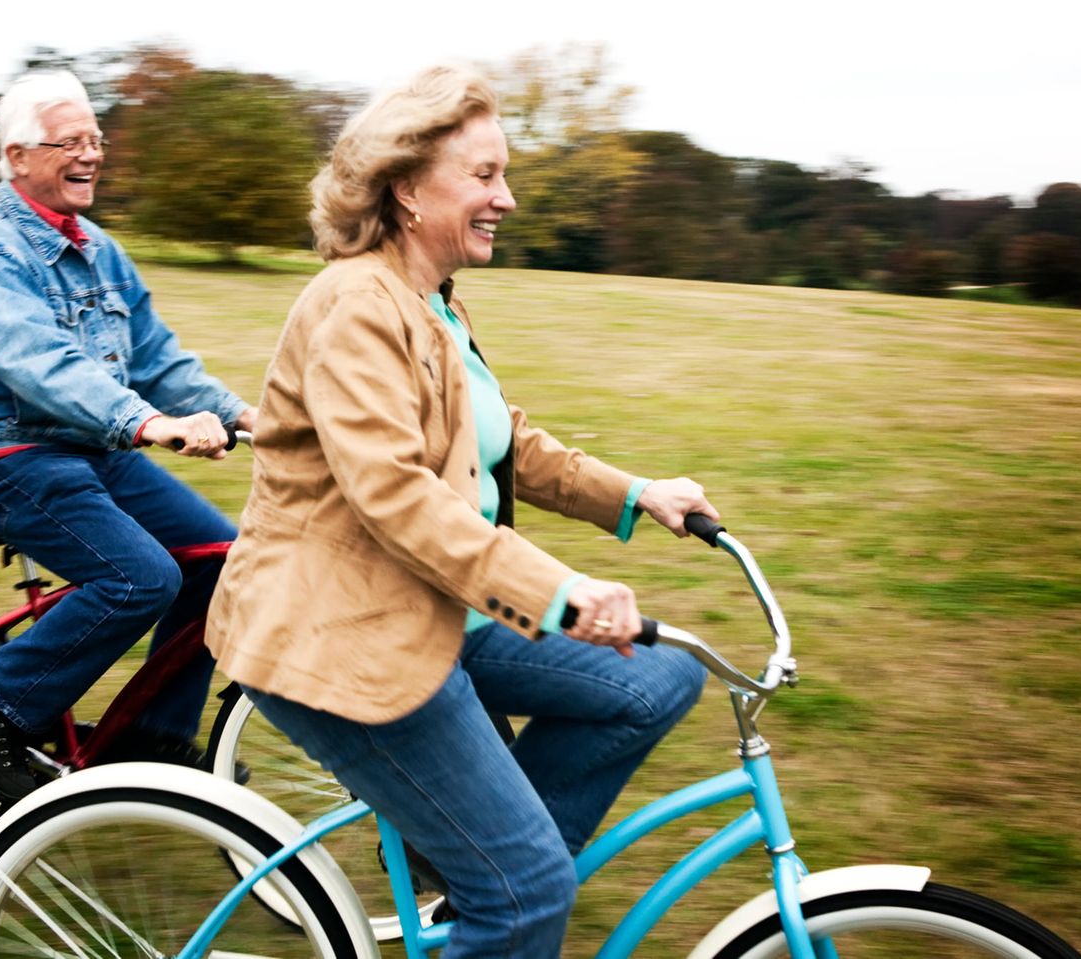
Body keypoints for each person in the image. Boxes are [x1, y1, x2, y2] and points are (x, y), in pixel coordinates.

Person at [205, 65, 716, 958]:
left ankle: (479, 873)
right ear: (407, 187)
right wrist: (562, 591)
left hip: (433, 605)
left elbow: (502, 441)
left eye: (502, 175)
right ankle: (503, 891)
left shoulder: (433, 302)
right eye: (484, 175)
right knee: (526, 896)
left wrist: (636, 494)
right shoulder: (354, 307)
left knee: (660, 676)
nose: (506, 198)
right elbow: (396, 495)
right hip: (341, 632)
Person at [0, 70, 256, 804]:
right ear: (17, 156)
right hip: (4, 456)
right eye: (69, 141)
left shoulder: (101, 251)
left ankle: (151, 735)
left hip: (92, 454)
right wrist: (149, 423)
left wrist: (246, 416)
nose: (91, 153)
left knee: (222, 561)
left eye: (95, 139)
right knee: (142, 576)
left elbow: (156, 358)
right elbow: (38, 364)